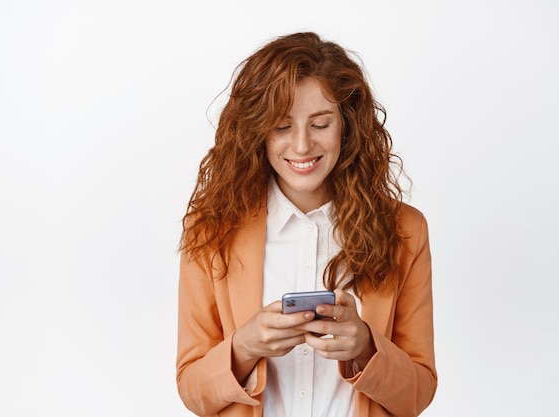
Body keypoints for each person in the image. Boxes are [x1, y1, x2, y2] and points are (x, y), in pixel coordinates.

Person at [176, 31, 437, 417]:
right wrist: (243, 347)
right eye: (282, 126)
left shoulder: (406, 231)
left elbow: (418, 394)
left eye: (320, 124)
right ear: (256, 131)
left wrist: (365, 346)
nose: (301, 146)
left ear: (347, 125)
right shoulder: (211, 229)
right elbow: (192, 391)